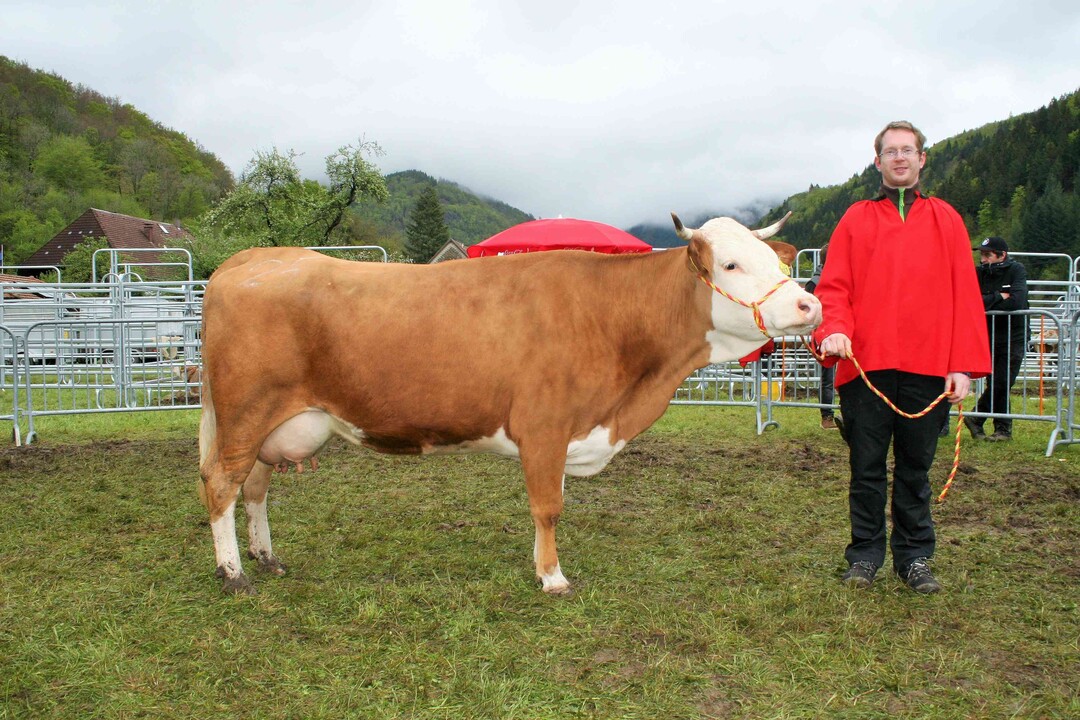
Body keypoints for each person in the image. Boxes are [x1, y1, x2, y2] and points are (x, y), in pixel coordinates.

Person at [813, 121, 991, 594]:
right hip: (866, 368)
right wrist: (833, 332)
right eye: (890, 151)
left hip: (928, 366)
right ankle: (865, 556)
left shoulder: (947, 219)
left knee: (915, 469)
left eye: (907, 150)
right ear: (878, 162)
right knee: (866, 468)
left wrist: (962, 364)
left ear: (921, 159)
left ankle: (914, 558)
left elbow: (965, 296)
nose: (899, 158)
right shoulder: (855, 218)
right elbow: (835, 289)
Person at [966, 236, 1029, 441]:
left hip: (1014, 335)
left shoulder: (1016, 270)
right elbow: (972, 302)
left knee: (1002, 381)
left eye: (987, 255)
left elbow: (1017, 301)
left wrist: (988, 302)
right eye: (982, 255)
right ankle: (1002, 429)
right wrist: (998, 297)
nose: (983, 260)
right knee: (998, 382)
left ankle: (977, 416)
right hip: (989, 334)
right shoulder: (978, 274)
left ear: (1002, 255)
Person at [804, 244, 837, 430]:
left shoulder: (816, 281)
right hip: (825, 333)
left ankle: (834, 415)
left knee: (832, 377)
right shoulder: (816, 283)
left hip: (838, 331)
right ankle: (827, 416)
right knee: (828, 377)